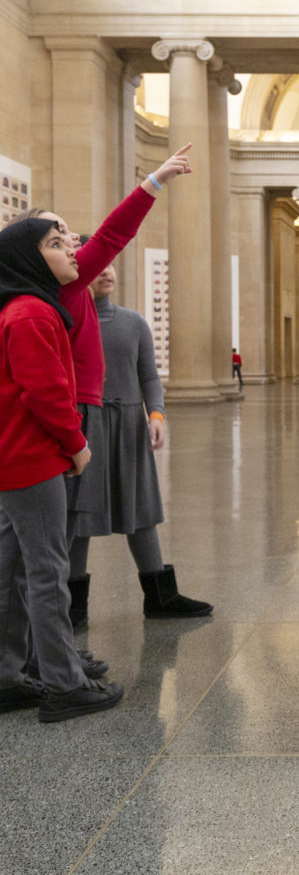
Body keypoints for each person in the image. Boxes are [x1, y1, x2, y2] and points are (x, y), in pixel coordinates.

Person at [12, 144, 195, 628]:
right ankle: (56, 639)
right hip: (75, 419)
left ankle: (57, 639)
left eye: (70, 235)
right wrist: (153, 182)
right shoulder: (54, 293)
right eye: (58, 236)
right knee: (66, 529)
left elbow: (146, 374)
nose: (73, 243)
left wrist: (152, 414)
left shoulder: (73, 297)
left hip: (98, 416)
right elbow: (113, 234)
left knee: (89, 521)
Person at [0, 218, 123, 721]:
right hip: (32, 457)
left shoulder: (21, 307)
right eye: (55, 244)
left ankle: (7, 676)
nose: (73, 249)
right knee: (49, 572)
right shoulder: (31, 313)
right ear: (30, 259)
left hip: (15, 457)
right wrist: (76, 444)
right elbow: (46, 392)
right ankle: (64, 685)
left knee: (10, 570)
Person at [71, 264, 212, 620]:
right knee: (80, 515)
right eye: (96, 266)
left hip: (129, 426)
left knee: (141, 512)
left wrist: (157, 415)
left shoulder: (133, 322)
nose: (106, 272)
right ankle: (72, 607)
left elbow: (148, 375)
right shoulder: (68, 321)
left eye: (110, 264)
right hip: (85, 426)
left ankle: (161, 598)